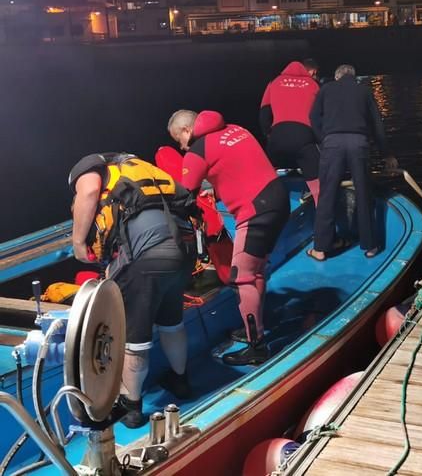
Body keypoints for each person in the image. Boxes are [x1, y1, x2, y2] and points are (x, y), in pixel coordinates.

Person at [69, 153, 197, 428]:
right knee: (171, 323)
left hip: (147, 257)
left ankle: (132, 406)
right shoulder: (143, 169)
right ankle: (181, 381)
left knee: (133, 340)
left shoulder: (91, 170)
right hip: (183, 248)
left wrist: (79, 242)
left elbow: (90, 190)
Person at [168, 109, 290, 365]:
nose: (179, 146)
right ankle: (253, 330)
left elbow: (184, 199)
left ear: (186, 131)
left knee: (241, 277)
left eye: (177, 139)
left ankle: (256, 348)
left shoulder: (197, 151)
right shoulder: (236, 129)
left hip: (255, 211)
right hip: (279, 198)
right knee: (254, 272)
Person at [308, 64, 398, 260]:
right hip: (359, 143)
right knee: (364, 193)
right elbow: (377, 124)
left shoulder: (326, 89)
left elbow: (313, 117)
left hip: (332, 143)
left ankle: (321, 248)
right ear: (354, 76)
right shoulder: (364, 91)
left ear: (337, 76)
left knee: (327, 195)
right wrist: (387, 154)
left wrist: (324, 138)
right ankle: (370, 245)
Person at [259, 59, 321, 204]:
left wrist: (269, 134)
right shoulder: (314, 85)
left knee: (265, 176)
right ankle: (320, 212)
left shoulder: (273, 82)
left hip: (277, 137)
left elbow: (263, 114)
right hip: (304, 137)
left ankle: (264, 205)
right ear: (313, 72)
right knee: (319, 186)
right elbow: (322, 116)